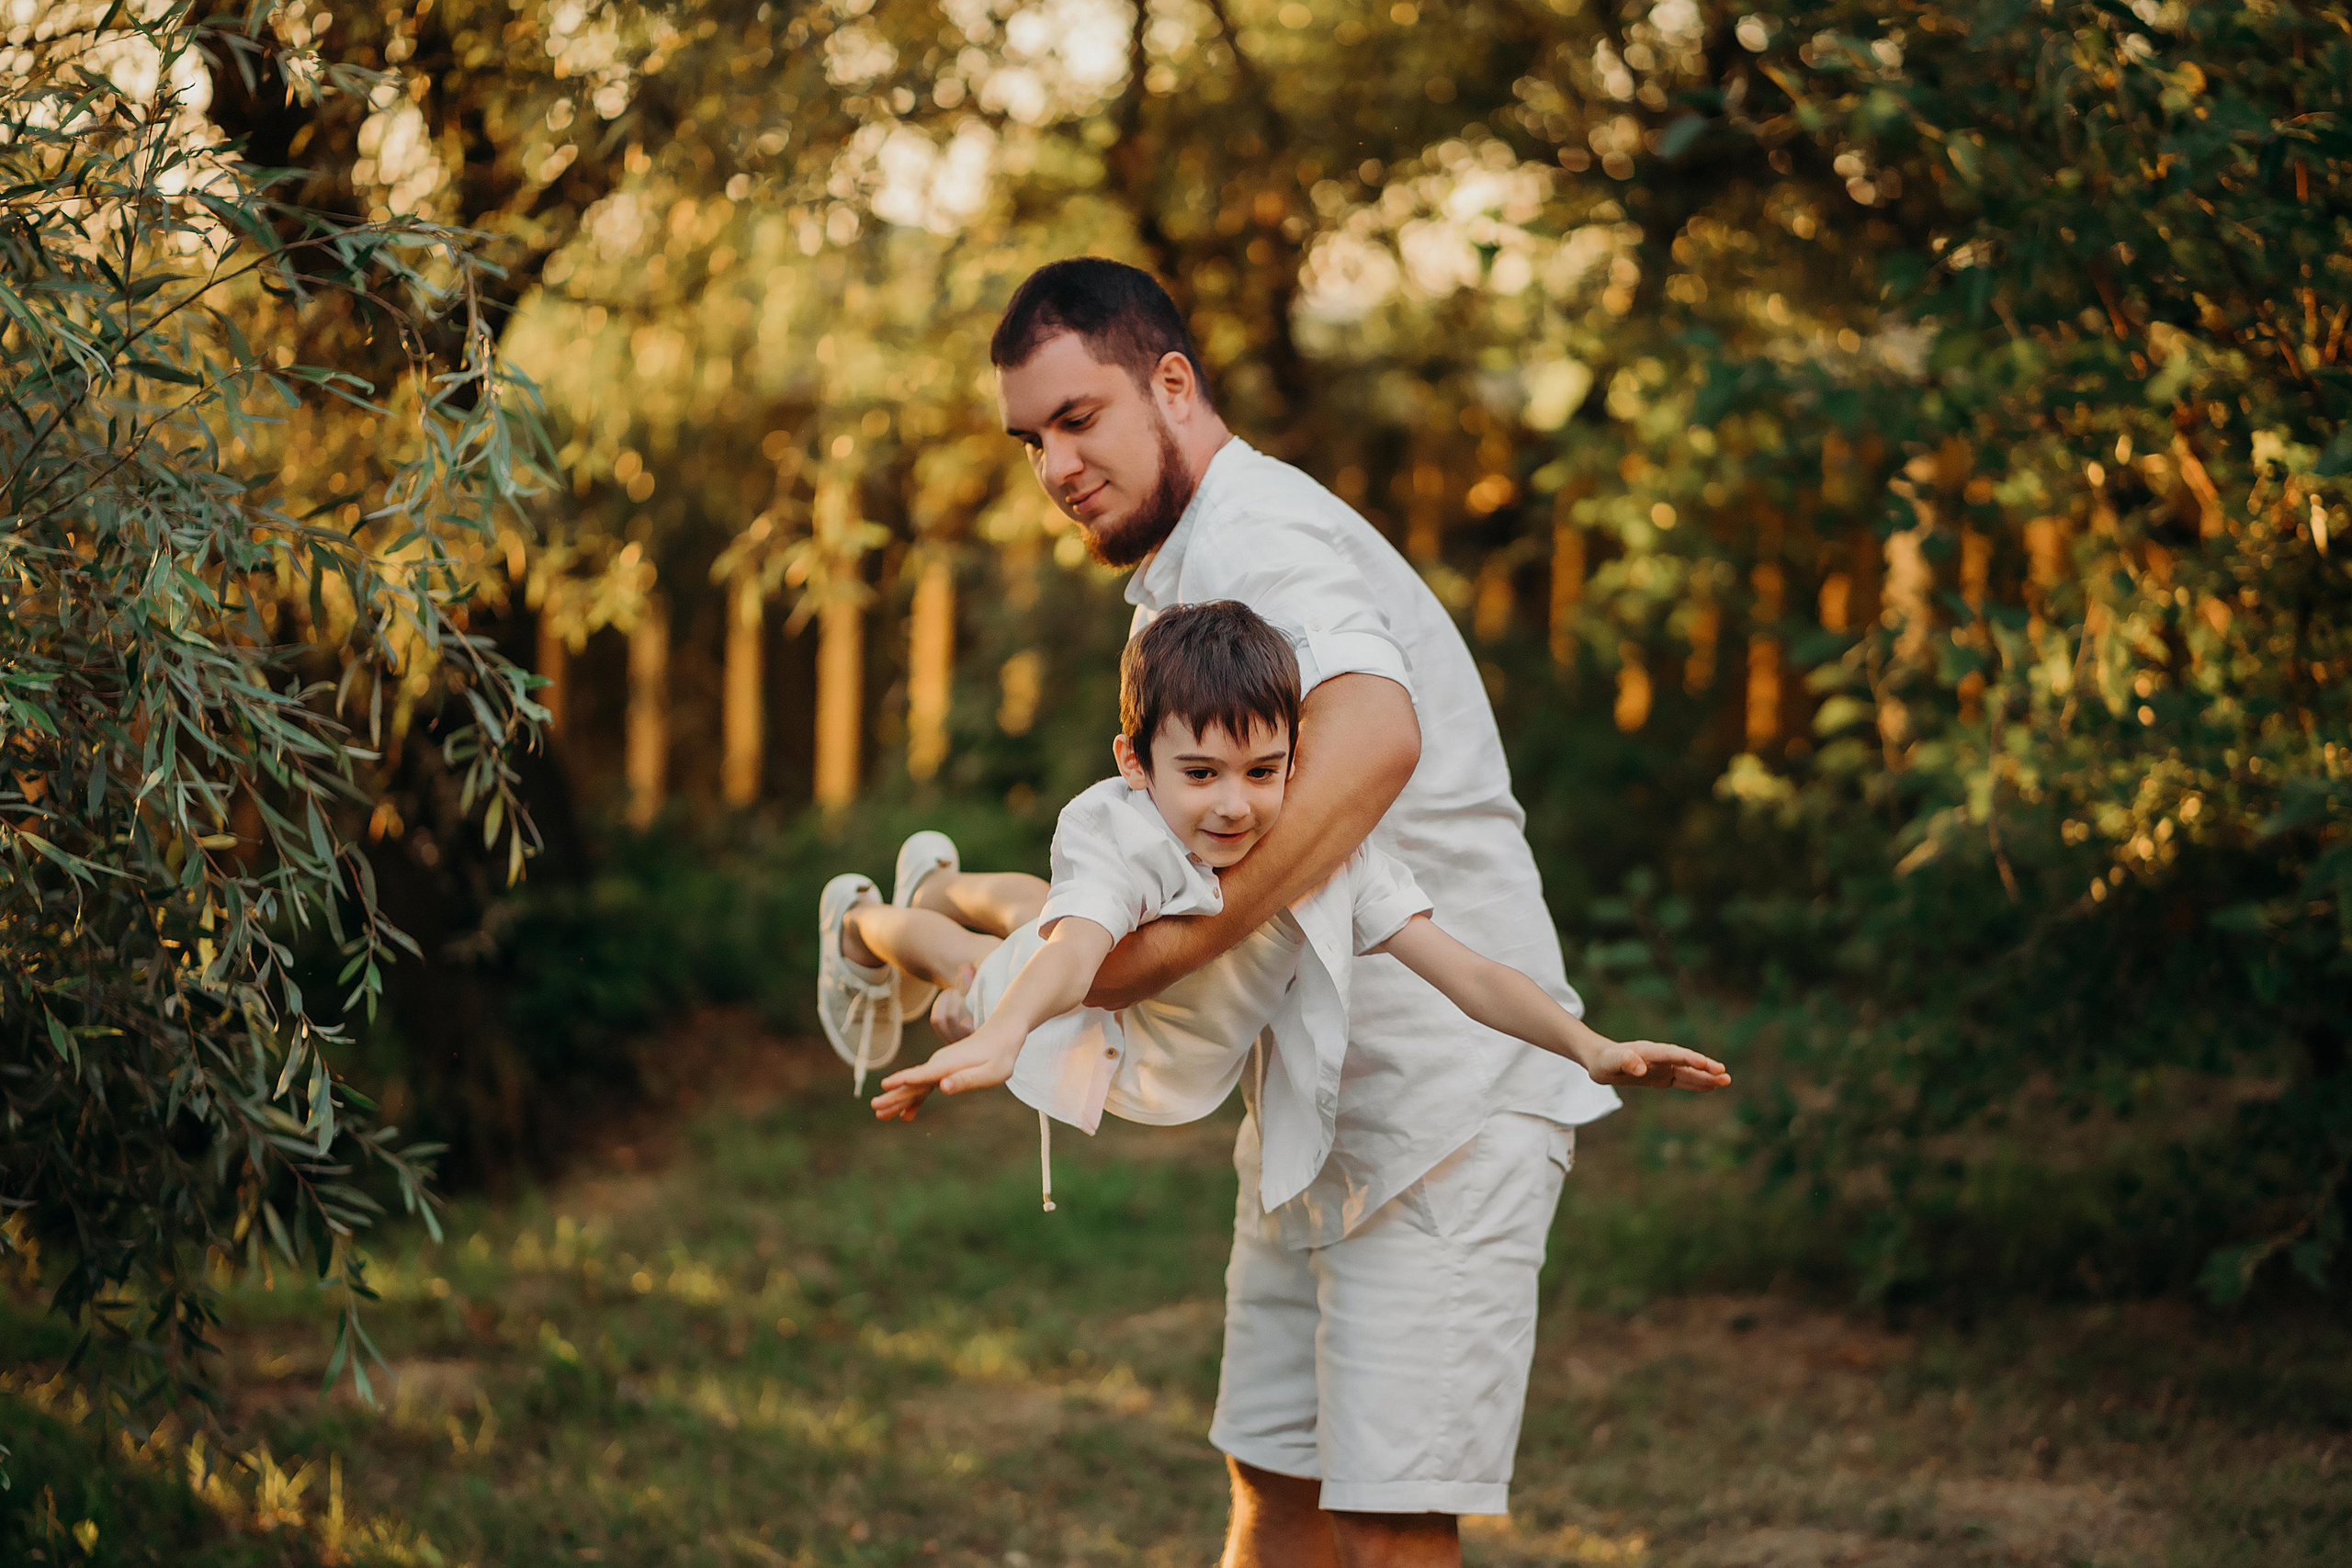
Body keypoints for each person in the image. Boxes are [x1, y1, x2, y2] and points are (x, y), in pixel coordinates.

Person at [987, 256, 1648, 1567]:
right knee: (1276, 1480)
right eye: (1031, 440)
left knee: (1386, 1522)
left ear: (1171, 383)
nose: (1056, 466)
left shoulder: (1261, 536)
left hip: (1447, 1101)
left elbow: (1380, 731)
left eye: (1079, 419)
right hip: (1316, 1102)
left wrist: (1176, 947)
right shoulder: (1194, 563)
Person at [814, 602, 1724, 1214]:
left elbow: (1469, 973)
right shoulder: (1122, 831)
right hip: (1071, 1013)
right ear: (1135, 764)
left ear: (1296, 754)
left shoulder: (1321, 856)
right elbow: (1076, 951)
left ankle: (937, 882)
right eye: (1200, 774)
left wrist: (1590, 1046)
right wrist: (1004, 1030)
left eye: (1263, 772)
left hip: (1147, 1035)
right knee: (974, 958)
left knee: (1038, 904)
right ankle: (865, 923)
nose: (1233, 806)